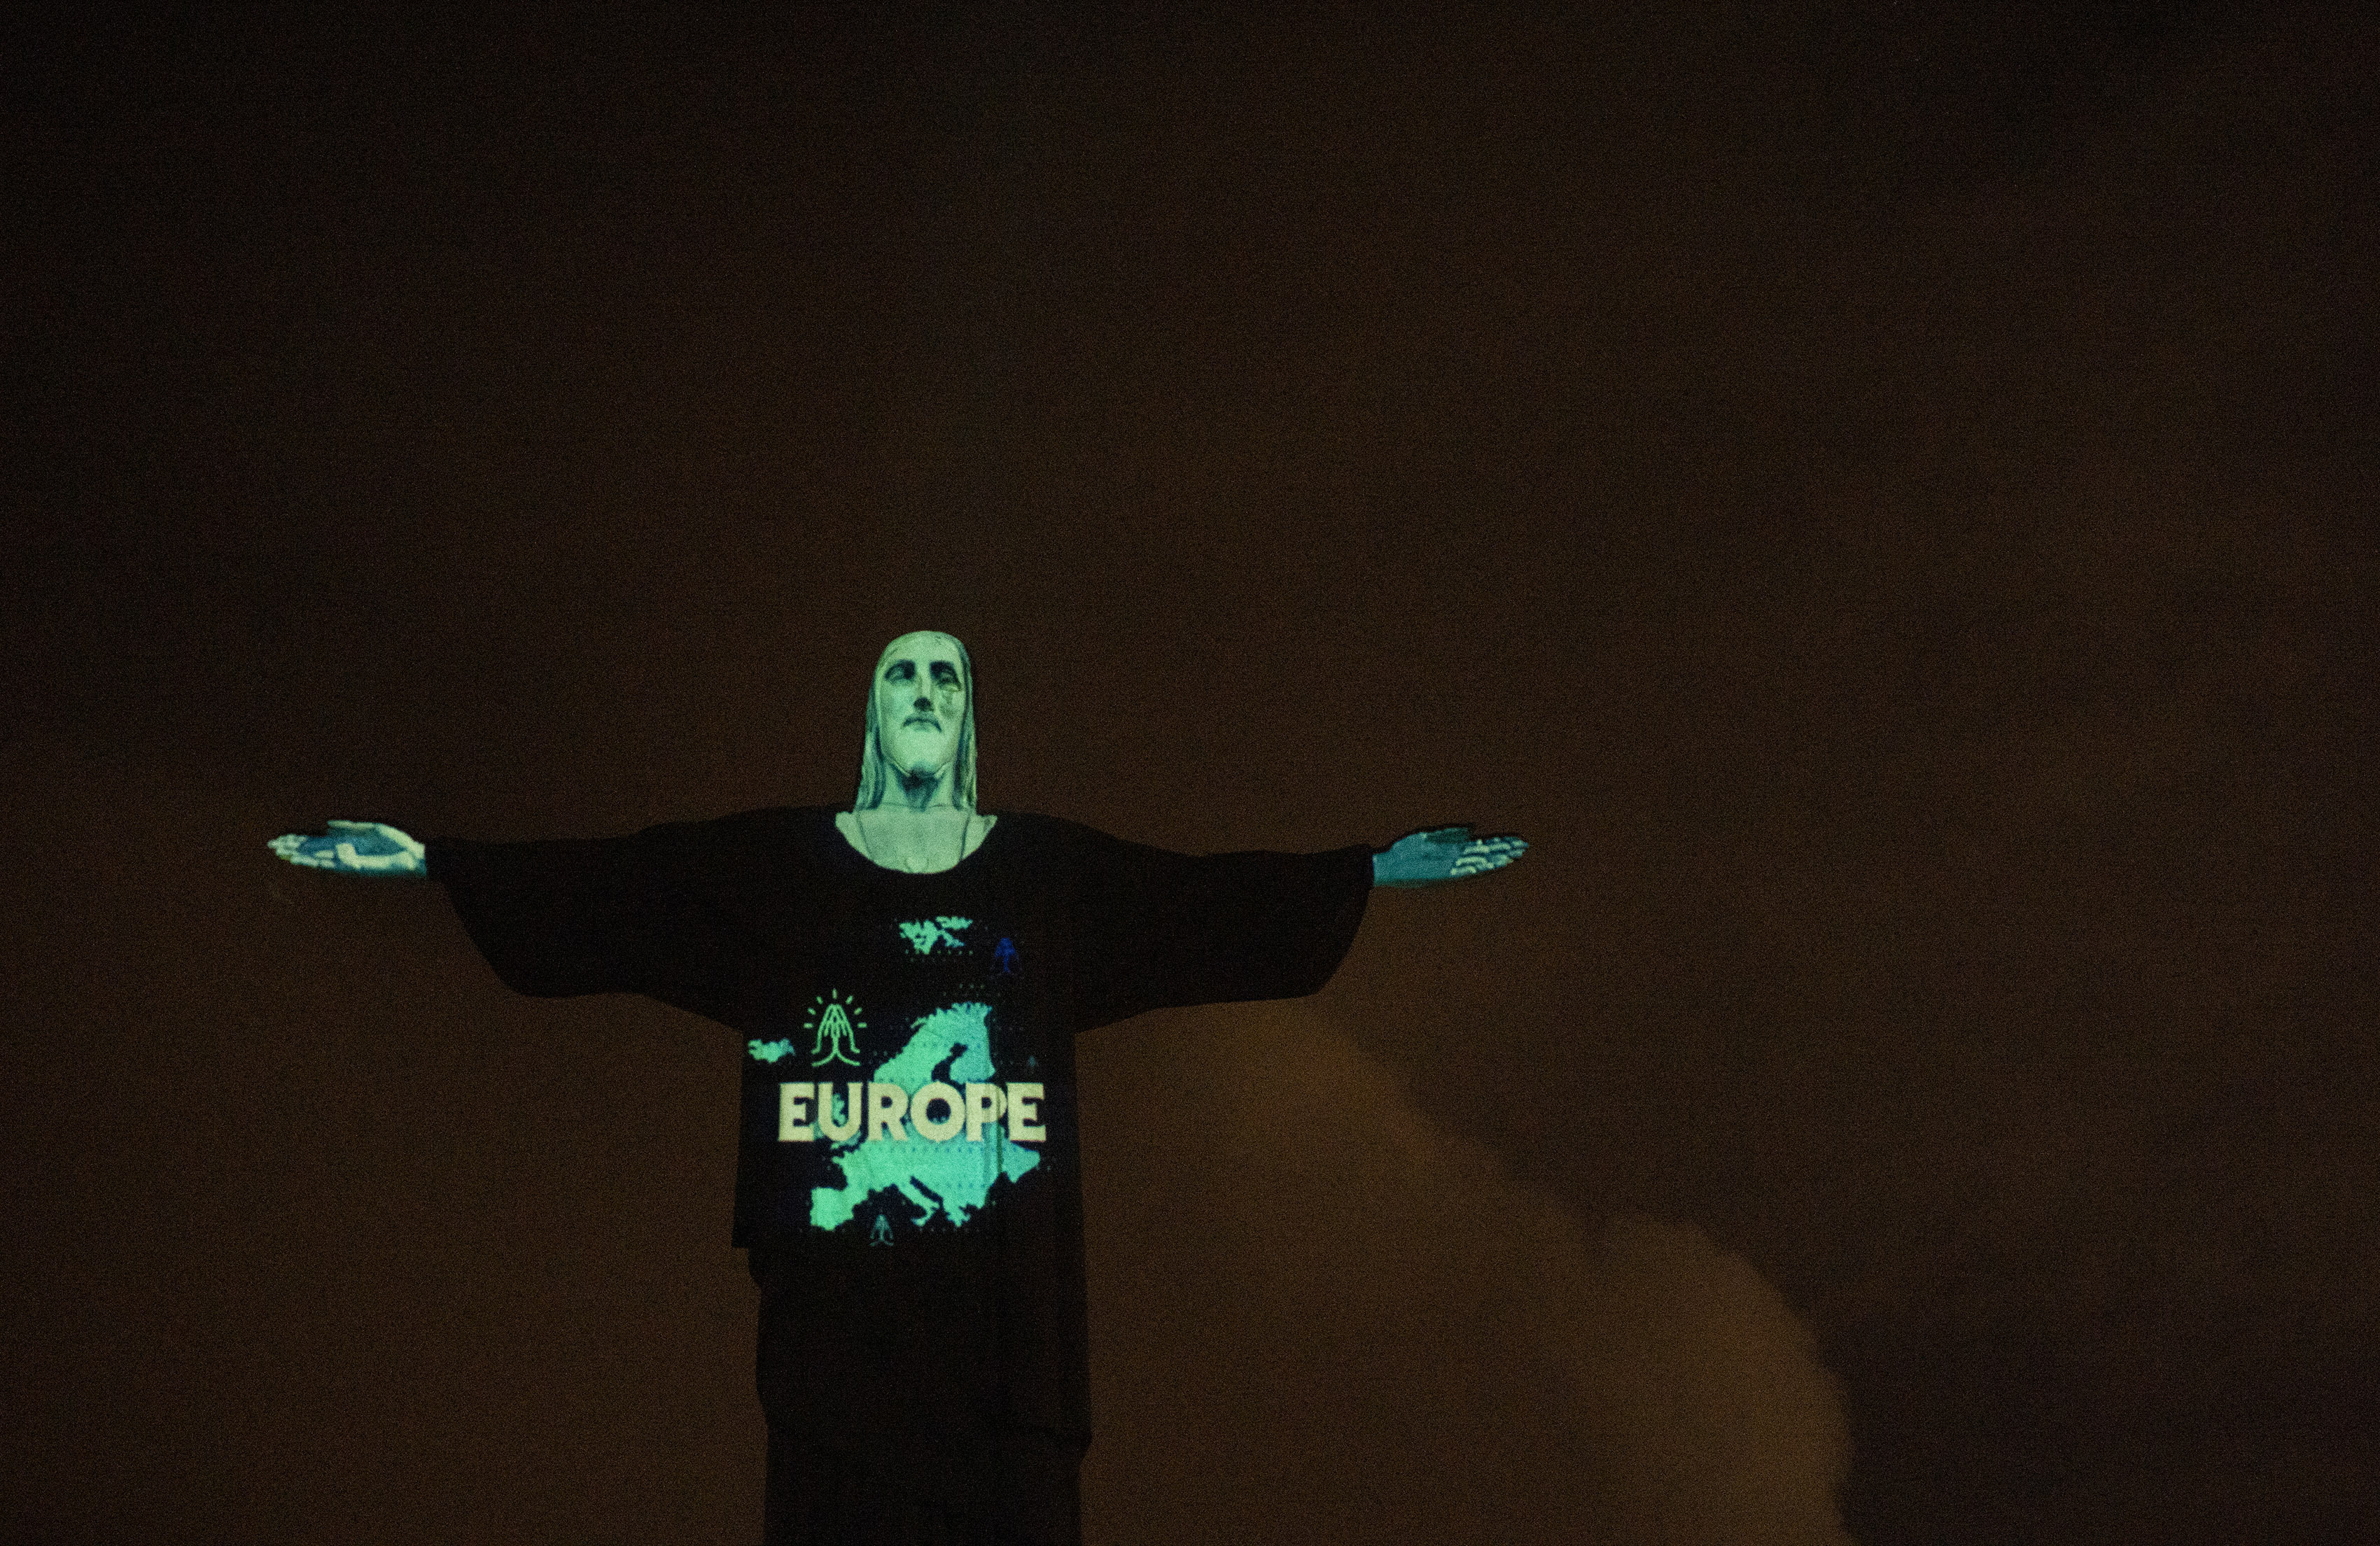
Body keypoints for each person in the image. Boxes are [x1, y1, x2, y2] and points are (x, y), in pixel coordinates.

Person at [270, 628, 1527, 1546]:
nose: (923, 692)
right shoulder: (779, 873)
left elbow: (1200, 902)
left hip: (1009, 1382)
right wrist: (438, 860)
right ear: (869, 714)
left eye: (946, 675)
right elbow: (619, 890)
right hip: (833, 1382)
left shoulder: (1044, 876)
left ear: (970, 711)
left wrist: (1365, 870)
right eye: (900, 674)